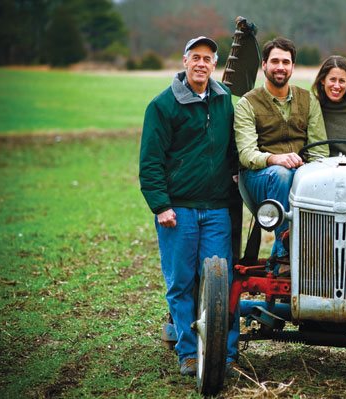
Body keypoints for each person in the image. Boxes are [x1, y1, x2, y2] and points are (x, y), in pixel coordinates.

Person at [138, 36, 239, 378]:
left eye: (207, 58)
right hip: (177, 211)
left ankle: (224, 354)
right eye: (195, 57)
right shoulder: (162, 106)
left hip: (215, 210)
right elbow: (150, 162)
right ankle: (188, 353)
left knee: (221, 283)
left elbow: (234, 151)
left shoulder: (225, 101)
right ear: (184, 62)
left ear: (215, 65)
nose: (201, 63)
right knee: (181, 283)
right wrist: (161, 205)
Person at [234, 37, 328, 267]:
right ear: (264, 65)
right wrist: (275, 159)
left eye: (286, 62)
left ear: (293, 67)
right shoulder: (248, 103)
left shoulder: (308, 100)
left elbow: (320, 150)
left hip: (300, 175)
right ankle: (283, 253)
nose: (280, 67)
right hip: (258, 176)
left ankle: (323, 253)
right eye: (274, 61)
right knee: (282, 174)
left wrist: (309, 170)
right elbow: (246, 154)